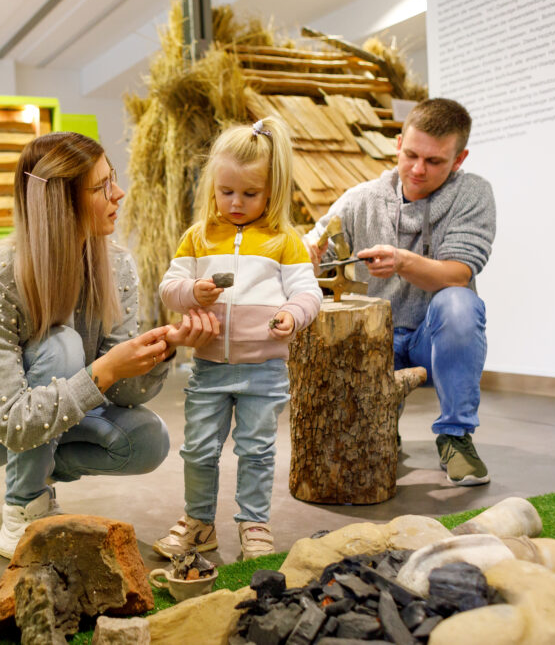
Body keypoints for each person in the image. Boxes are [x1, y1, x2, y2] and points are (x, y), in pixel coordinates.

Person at [0, 132, 220, 558]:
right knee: (60, 344)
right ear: (61, 202)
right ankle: (25, 506)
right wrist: (107, 368)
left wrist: (161, 350)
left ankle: (39, 462)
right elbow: (11, 422)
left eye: (112, 180)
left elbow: (121, 393)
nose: (119, 194)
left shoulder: (116, 264)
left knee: (148, 439)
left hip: (41, 412)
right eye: (102, 187)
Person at [304, 98, 496, 486]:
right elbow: (313, 244)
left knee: (459, 303)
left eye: (435, 161)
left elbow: (458, 274)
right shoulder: (361, 199)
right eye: (411, 155)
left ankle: (456, 437)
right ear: (398, 144)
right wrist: (306, 254)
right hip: (375, 338)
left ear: (459, 160)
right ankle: (378, 425)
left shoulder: (473, 194)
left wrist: (403, 261)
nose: (418, 169)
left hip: (431, 336)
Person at [154, 117, 323, 560]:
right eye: (226, 191)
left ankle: (254, 524)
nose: (235, 202)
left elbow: (308, 293)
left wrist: (292, 314)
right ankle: (198, 523)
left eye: (250, 194)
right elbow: (169, 287)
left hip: (263, 371)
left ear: (273, 190)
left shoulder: (285, 241)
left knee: (256, 450)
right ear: (213, 185)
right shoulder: (198, 237)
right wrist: (194, 291)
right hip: (208, 367)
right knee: (198, 449)